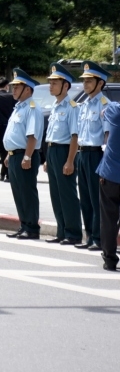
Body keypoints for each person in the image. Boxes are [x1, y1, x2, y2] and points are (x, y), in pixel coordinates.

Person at [2, 68, 44, 240]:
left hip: (25, 155)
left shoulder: (32, 108)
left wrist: (27, 156)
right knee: (18, 192)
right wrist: (8, 154)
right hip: (15, 155)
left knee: (27, 192)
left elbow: (32, 136)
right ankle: (24, 224)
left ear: (27, 89)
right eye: (13, 87)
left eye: (17, 87)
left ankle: (32, 227)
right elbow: (15, 134)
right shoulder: (19, 107)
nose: (13, 90)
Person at [43, 63, 82, 245]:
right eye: (50, 82)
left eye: (54, 83)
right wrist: (47, 159)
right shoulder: (55, 105)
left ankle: (73, 232)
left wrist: (70, 161)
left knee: (67, 193)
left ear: (65, 86)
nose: (51, 86)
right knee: (56, 193)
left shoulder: (72, 107)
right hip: (52, 150)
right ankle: (61, 230)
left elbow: (75, 136)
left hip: (64, 151)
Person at [75, 61, 109, 252]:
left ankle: (98, 237)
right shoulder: (84, 105)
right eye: (84, 81)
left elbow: (107, 136)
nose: (85, 84)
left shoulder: (105, 105)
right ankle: (89, 236)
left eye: (89, 81)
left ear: (100, 83)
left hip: (97, 154)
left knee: (97, 199)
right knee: (85, 198)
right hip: (82, 153)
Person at [96, 96, 120, 271]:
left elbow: (103, 112)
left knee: (108, 219)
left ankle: (109, 259)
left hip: (110, 174)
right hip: (111, 172)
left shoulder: (114, 110)